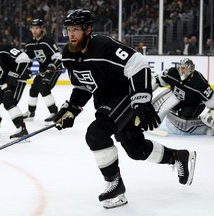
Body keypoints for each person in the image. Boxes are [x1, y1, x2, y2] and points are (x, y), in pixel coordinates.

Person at [53, 9, 197, 209]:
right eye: (68, 30)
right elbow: (84, 85)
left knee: (96, 133)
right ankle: (178, 156)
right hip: (106, 100)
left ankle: (115, 184)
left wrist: (142, 101)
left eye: (76, 29)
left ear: (88, 29)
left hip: (125, 96)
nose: (71, 35)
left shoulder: (103, 46)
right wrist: (72, 109)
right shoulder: (69, 54)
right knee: (136, 149)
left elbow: (138, 63)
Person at [152, 58, 214, 135]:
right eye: (180, 67)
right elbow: (157, 80)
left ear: (191, 69)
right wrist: (147, 94)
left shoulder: (198, 82)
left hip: (194, 103)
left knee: (182, 126)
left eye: (184, 68)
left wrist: (211, 118)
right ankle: (152, 118)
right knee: (170, 95)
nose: (181, 70)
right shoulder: (172, 73)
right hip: (178, 98)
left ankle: (205, 127)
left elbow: (212, 102)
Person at [21, 18, 63, 124]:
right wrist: (27, 70)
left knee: (44, 86)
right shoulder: (30, 43)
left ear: (42, 29)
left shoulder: (48, 41)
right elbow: (28, 60)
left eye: (37, 28)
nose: (34, 30)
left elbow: (57, 56)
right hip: (43, 70)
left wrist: (52, 66)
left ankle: (54, 112)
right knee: (34, 88)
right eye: (33, 28)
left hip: (54, 69)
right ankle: (31, 112)